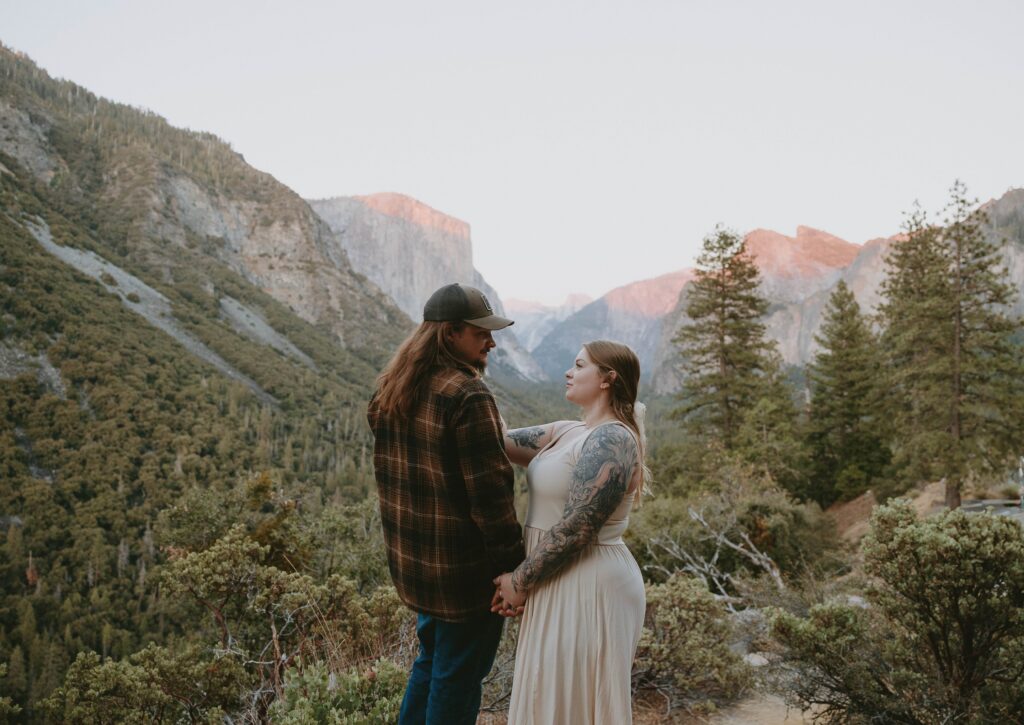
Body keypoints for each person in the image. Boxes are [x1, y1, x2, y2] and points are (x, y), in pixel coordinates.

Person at [366, 283, 525, 725]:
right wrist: (513, 570)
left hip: (417, 569)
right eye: (482, 334)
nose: (492, 342)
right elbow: (491, 498)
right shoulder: (467, 395)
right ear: (451, 333)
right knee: (457, 679)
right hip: (464, 577)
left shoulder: (390, 391)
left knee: (431, 662)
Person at [493, 340, 648, 724]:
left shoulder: (614, 438)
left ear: (607, 379)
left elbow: (578, 527)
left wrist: (520, 580)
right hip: (555, 577)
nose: (568, 372)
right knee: (547, 695)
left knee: (571, 703)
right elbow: (496, 439)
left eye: (579, 366)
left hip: (590, 582)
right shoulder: (566, 431)